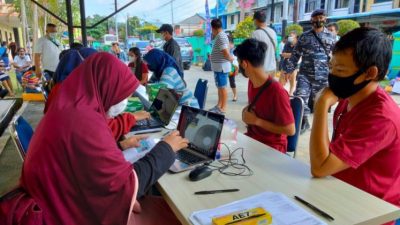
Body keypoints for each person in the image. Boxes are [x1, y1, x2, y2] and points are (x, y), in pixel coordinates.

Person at [14, 53, 187, 224]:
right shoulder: (83, 122)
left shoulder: (71, 106)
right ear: (107, 86)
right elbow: (121, 186)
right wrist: (166, 148)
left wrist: (119, 147)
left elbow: (82, 158)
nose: (124, 100)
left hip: (56, 200)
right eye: (122, 93)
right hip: (61, 213)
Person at [310, 27, 400, 219]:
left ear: (370, 73)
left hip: (368, 212)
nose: (333, 75)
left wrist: (320, 106)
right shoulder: (349, 98)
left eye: (341, 70)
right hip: (338, 194)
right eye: (331, 67)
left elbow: (320, 167)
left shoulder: (380, 118)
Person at [234, 39, 295, 153]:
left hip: (272, 148)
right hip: (252, 140)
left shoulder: (277, 92)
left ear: (244, 64)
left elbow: (290, 130)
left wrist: (257, 121)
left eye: (238, 62)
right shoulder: (252, 82)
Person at [282, 9, 336, 134]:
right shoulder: (304, 37)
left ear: (325, 19)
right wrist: (288, 70)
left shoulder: (331, 36)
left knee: (320, 102)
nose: (319, 20)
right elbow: (295, 55)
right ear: (311, 20)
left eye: (321, 17)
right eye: (316, 17)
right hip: (305, 74)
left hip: (323, 75)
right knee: (300, 97)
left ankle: (319, 126)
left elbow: (337, 55)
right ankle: (304, 121)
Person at [209, 19, 233, 114]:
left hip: (222, 67)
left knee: (222, 88)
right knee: (220, 87)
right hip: (219, 67)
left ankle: (223, 107)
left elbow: (225, 52)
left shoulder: (221, 36)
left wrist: (231, 59)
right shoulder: (220, 36)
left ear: (213, 28)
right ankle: (219, 105)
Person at [279, 31, 298, 96]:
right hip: (285, 65)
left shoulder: (298, 45)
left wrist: (289, 55)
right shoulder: (287, 44)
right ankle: (281, 95)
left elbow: (298, 56)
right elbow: (283, 54)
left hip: (294, 67)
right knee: (281, 83)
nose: (290, 37)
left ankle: (290, 95)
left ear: (295, 37)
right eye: (289, 36)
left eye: (292, 36)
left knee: (292, 82)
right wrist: (293, 55)